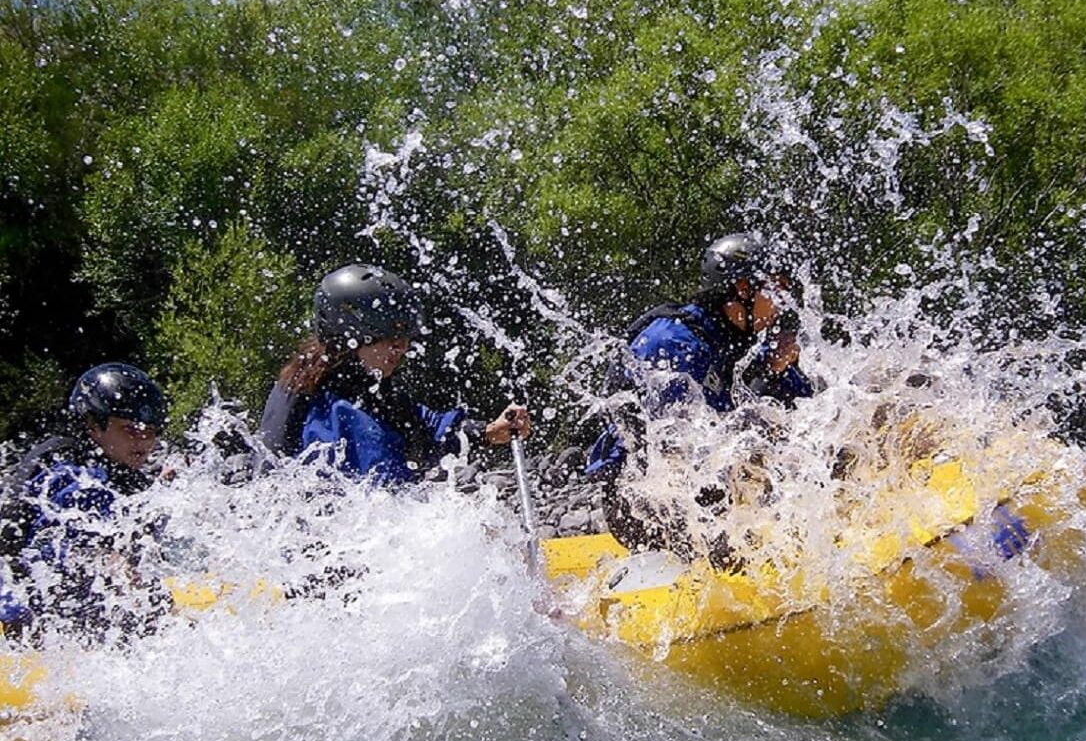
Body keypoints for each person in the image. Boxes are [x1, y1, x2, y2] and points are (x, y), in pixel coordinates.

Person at [585, 232, 813, 551]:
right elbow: (678, 450)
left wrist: (775, 371)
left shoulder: (736, 342)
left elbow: (807, 409)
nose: (782, 301)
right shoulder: (671, 344)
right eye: (775, 288)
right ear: (742, 288)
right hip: (640, 506)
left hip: (702, 492)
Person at [260, 263, 530, 483]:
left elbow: (424, 425)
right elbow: (380, 487)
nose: (401, 346)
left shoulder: (360, 385)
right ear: (351, 336)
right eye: (388, 336)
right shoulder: (332, 408)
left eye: (403, 335)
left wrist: (489, 430)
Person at [0, 363, 172, 642]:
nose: (144, 441)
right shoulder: (66, 473)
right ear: (93, 425)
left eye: (150, 431)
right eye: (130, 429)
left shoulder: (126, 477)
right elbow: (54, 551)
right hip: (21, 610)